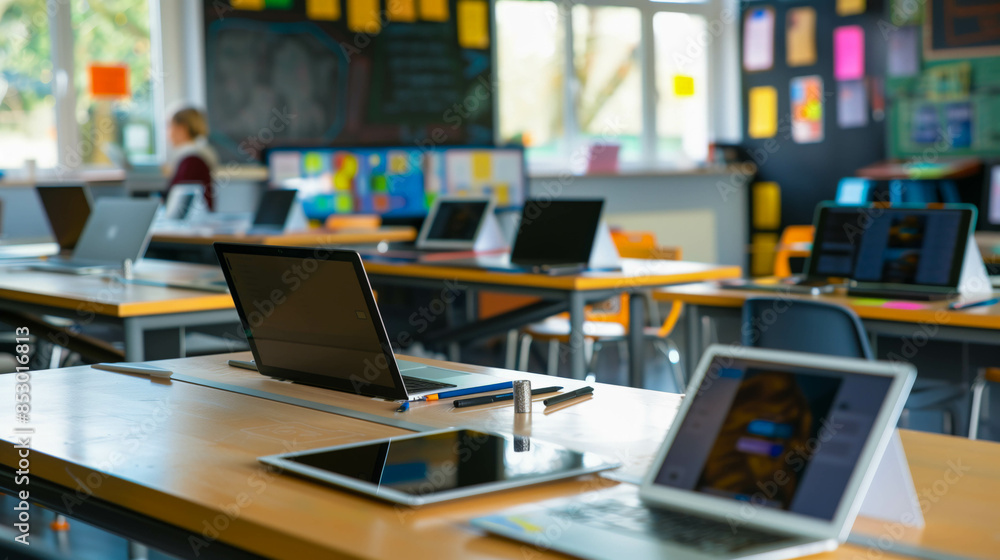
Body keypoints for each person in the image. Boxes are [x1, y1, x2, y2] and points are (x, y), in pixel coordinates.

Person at [164, 107, 217, 210]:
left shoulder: (191, 160)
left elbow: (181, 204)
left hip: (191, 223)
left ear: (182, 129)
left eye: (170, 126)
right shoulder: (197, 155)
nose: (168, 134)